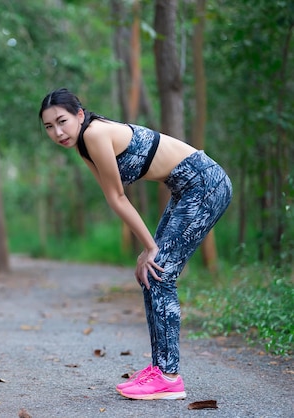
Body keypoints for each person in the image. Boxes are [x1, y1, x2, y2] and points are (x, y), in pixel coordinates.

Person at [39, 88, 232, 400]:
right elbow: (113, 198)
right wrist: (147, 248)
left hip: (206, 184)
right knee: (150, 272)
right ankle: (160, 369)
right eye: (49, 127)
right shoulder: (84, 145)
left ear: (78, 115)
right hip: (186, 188)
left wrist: (150, 247)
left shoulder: (96, 134)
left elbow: (118, 197)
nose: (58, 132)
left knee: (159, 271)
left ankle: (168, 377)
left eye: (62, 121)